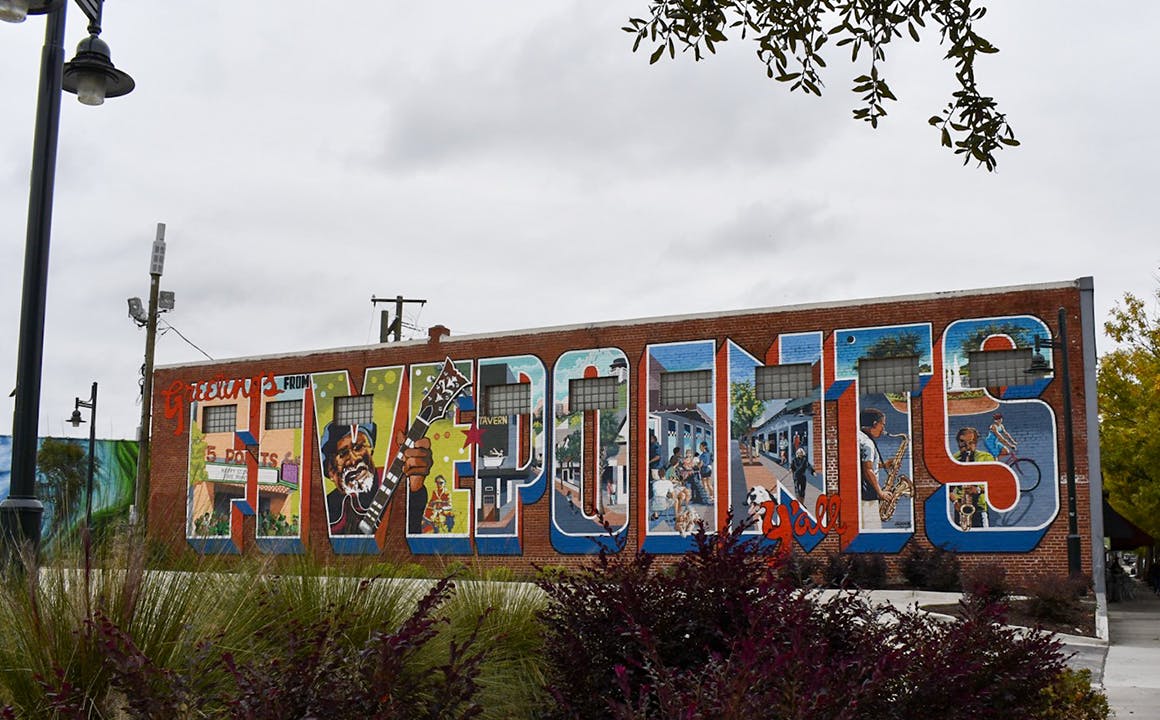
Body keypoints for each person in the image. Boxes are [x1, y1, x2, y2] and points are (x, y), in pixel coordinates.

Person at [320, 421, 433, 536]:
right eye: (343, 454)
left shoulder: (394, 480)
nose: (354, 459)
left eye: (359, 447)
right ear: (330, 471)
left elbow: (411, 520)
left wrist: (415, 487)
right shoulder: (326, 508)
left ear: (371, 450)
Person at [858, 407, 898, 530]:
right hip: (868, 496)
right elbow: (867, 469)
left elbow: (862, 465)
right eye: (882, 425)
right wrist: (880, 492)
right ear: (875, 424)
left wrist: (883, 465)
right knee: (873, 530)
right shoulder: (868, 444)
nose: (884, 429)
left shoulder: (858, 438)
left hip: (860, 494)